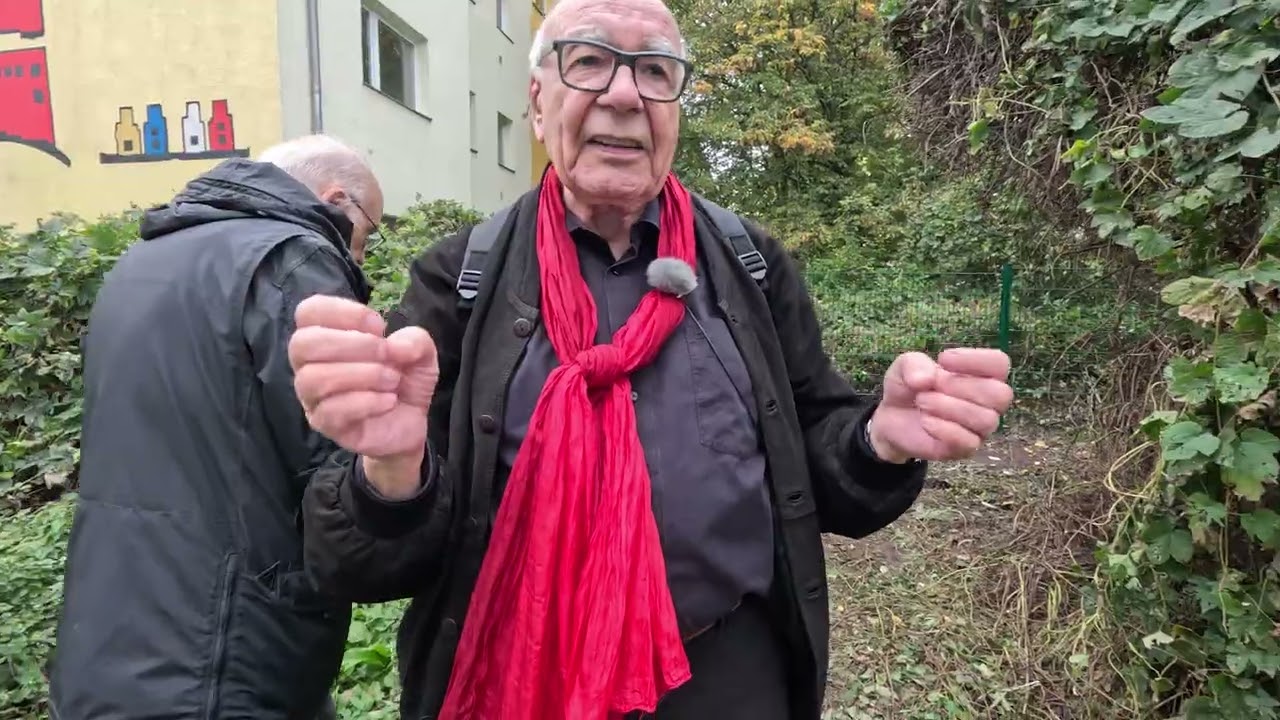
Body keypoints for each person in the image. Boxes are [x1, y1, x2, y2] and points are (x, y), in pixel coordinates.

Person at [288, 0, 1013, 718]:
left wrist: (878, 442)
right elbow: (363, 563)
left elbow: (820, 467)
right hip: (524, 672)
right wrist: (389, 474)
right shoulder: (459, 278)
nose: (626, 94)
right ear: (539, 101)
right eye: (591, 61)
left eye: (656, 69)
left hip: (725, 675)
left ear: (674, 108)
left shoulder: (748, 264)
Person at [49, 135, 384, 720]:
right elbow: (338, 472)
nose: (360, 258)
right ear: (338, 202)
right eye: (367, 237)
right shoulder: (294, 261)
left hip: (104, 638)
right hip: (226, 650)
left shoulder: (140, 262)